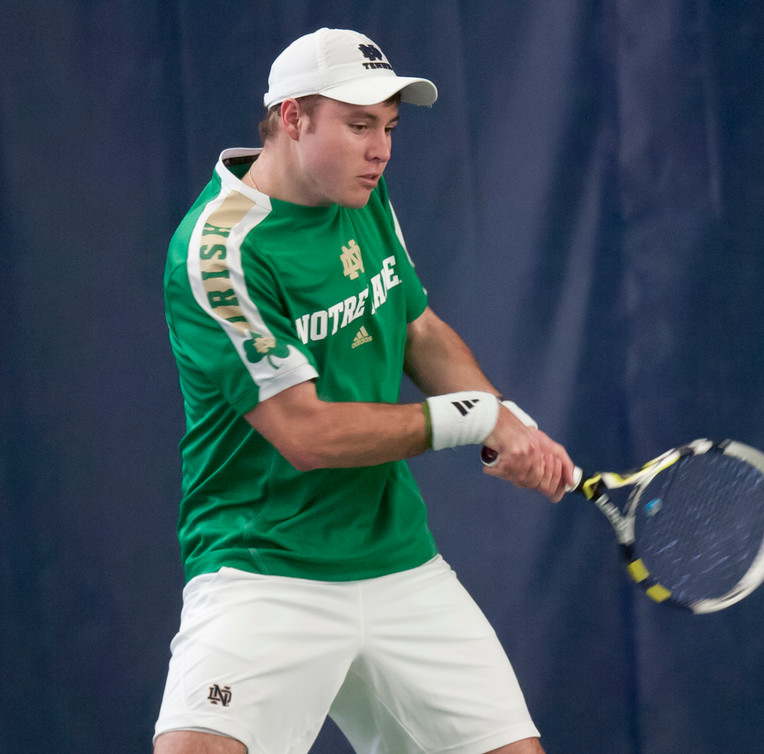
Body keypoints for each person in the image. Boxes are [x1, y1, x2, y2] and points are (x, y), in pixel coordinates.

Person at [154, 27, 575, 754]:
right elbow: (307, 434)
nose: (379, 149)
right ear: (292, 118)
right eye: (357, 126)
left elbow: (418, 330)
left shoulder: (362, 197)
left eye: (388, 127)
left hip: (397, 564)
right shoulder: (219, 254)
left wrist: (505, 418)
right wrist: (470, 419)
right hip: (262, 564)